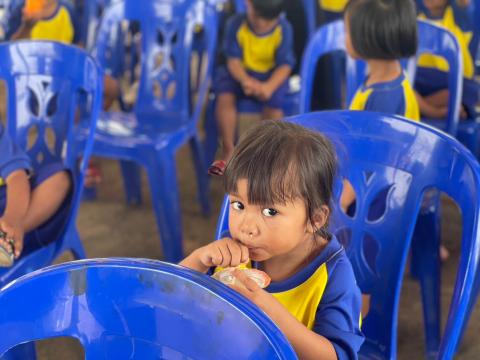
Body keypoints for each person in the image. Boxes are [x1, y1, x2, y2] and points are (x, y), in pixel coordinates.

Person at [182, 121, 364, 359]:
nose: (246, 227)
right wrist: (198, 260)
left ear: (315, 219)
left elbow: (335, 356)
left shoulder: (333, 277)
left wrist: (266, 309)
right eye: (239, 205)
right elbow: (172, 296)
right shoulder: (234, 251)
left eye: (270, 212)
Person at [208, 0, 295, 176]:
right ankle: (228, 150)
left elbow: (285, 66)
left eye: (268, 21)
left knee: (275, 107)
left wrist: (269, 87)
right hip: (240, 73)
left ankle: (265, 156)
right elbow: (232, 60)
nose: (262, 25)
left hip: (270, 76)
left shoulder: (284, 28)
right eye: (257, 18)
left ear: (278, 16)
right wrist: (245, 80)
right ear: (248, 4)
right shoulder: (235, 24)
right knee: (224, 96)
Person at [0, 122, 72, 266]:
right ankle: (7, 241)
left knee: (59, 179)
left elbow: (16, 175)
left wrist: (13, 218)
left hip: (9, 202)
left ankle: (8, 237)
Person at [415, 0, 478, 119]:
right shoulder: (415, 18)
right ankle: (433, 112)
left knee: (472, 91)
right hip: (420, 77)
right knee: (403, 80)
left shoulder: (460, 18)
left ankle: (416, 107)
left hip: (451, 80)